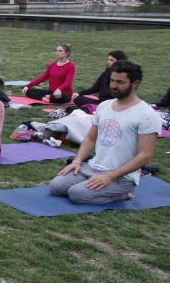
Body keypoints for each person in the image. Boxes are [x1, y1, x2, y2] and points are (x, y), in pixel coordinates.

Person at [48, 60, 160, 205]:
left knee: (77, 194)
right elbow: (90, 139)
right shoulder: (104, 106)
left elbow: (145, 156)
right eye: (112, 80)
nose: (113, 85)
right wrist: (77, 161)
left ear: (135, 83)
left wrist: (110, 176)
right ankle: (95, 184)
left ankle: (123, 194)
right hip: (93, 167)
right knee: (56, 187)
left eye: (120, 82)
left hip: (122, 177)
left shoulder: (147, 115)